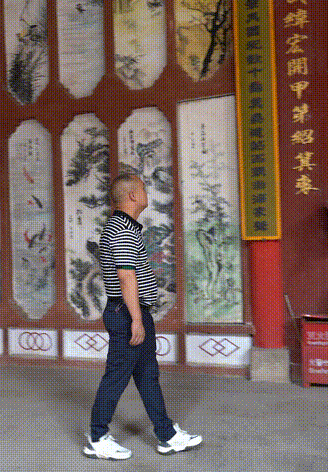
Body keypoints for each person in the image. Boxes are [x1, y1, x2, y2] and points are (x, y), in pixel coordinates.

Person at [84, 173, 202, 460]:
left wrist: (139, 317)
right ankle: (97, 438)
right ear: (133, 196)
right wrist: (136, 320)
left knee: (148, 375)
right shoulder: (122, 230)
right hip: (127, 314)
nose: (147, 193)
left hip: (132, 313)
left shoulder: (126, 227)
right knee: (116, 376)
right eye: (144, 189)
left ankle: (167, 435)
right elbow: (126, 277)